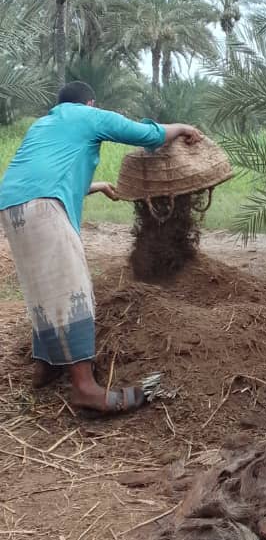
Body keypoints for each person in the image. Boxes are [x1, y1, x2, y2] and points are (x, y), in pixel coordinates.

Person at [0, 81, 202, 414]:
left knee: (42, 289)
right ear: (90, 103)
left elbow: (47, 176)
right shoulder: (88, 116)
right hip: (43, 205)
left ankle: (47, 366)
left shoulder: (44, 125)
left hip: (11, 205)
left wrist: (95, 186)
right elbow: (144, 134)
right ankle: (85, 388)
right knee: (73, 288)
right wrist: (180, 128)